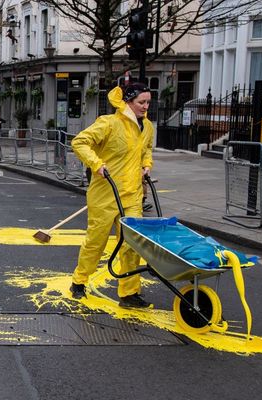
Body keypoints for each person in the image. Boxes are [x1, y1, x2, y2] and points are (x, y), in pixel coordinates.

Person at [68, 82, 154, 309]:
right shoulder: (108, 123)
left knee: (131, 245)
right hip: (106, 193)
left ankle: (129, 293)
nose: (145, 107)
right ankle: (79, 281)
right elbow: (79, 142)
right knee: (96, 241)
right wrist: (96, 164)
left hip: (132, 194)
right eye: (141, 102)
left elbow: (146, 150)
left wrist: (146, 164)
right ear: (128, 102)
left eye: (148, 102)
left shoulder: (147, 128)